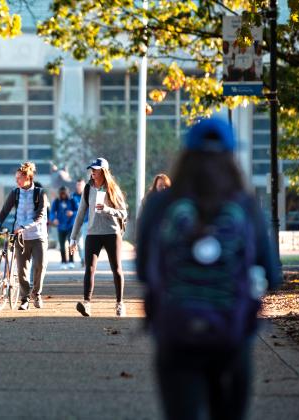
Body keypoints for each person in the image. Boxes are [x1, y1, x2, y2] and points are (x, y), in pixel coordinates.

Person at [136, 118, 281, 420]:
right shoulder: (245, 205)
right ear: (231, 157)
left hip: (175, 331)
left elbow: (142, 270)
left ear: (185, 155)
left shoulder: (161, 204)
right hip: (231, 335)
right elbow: (272, 275)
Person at [70, 157, 128, 317]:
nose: (92, 172)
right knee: (89, 269)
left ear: (103, 171)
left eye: (95, 170)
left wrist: (108, 210)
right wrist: (73, 238)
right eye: (92, 170)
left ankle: (119, 304)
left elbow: (124, 213)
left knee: (116, 269)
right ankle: (87, 303)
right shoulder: (88, 189)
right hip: (93, 233)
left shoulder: (113, 189)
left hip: (112, 233)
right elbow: (80, 213)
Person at [0, 162, 49, 310]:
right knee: (22, 269)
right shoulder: (15, 192)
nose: (17, 181)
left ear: (28, 177)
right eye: (16, 178)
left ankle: (37, 294)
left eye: (19, 178)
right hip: (20, 237)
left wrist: (24, 227)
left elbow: (40, 216)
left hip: (38, 236)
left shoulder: (40, 193)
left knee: (40, 266)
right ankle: (24, 299)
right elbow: (4, 211)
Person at [50, 186, 78, 269]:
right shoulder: (57, 201)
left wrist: (72, 213)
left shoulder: (72, 200)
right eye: (61, 194)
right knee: (62, 245)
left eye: (64, 194)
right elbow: (52, 212)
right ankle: (63, 261)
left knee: (71, 244)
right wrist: (53, 219)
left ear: (67, 193)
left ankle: (71, 261)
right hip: (60, 226)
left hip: (70, 225)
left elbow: (78, 211)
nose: (63, 195)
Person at [71, 178, 89, 267]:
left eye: (81, 185)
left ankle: (85, 259)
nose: (79, 187)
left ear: (84, 185)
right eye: (77, 185)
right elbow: (71, 209)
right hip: (77, 223)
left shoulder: (88, 196)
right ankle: (82, 258)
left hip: (86, 221)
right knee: (78, 243)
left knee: (85, 242)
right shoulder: (72, 196)